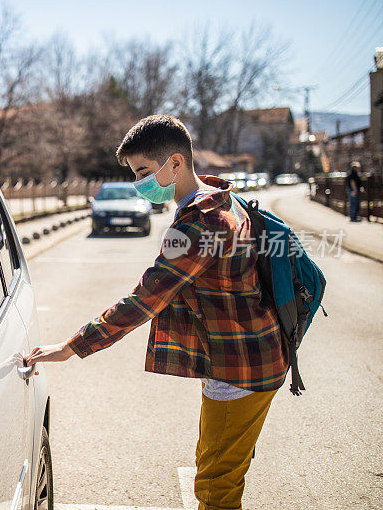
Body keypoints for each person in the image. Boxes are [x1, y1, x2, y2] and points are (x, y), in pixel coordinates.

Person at [26, 115, 287, 510]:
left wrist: (72, 346)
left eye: (145, 172)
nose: (140, 184)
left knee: (217, 483)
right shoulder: (222, 199)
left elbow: (147, 298)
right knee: (219, 469)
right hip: (245, 359)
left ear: (176, 163)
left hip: (241, 368)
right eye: (135, 174)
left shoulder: (203, 222)